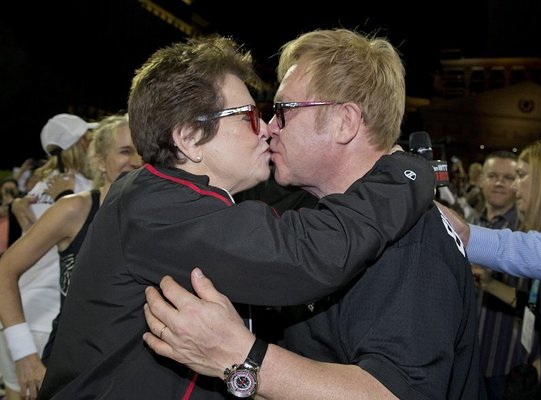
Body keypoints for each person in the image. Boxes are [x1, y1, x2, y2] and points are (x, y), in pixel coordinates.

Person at [37, 34, 435, 400]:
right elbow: (305, 254)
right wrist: (409, 174)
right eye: (248, 115)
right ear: (190, 138)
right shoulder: (157, 208)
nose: (265, 128)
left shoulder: (172, 200)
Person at [141, 29, 484, 399]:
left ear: (344, 122)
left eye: (284, 112)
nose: (270, 128)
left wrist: (243, 358)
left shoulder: (411, 240)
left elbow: (393, 393)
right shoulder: (328, 216)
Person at [0, 113, 96, 400]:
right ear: (82, 144)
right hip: (48, 317)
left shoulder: (37, 188)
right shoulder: (84, 192)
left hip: (13, 315)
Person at [469, 150, 532, 400]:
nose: (499, 183)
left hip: (506, 364)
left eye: (508, 177)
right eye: (492, 175)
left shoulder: (527, 233)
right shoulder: (470, 224)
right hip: (465, 360)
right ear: (481, 180)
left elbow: (533, 302)